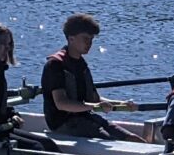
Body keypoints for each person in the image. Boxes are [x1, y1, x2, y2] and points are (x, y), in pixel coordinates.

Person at [39, 13, 146, 142]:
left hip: (85, 117)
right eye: (85, 38)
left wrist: (122, 104)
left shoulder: (81, 64)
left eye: (91, 39)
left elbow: (95, 99)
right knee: (112, 141)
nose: (89, 43)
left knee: (133, 139)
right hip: (64, 123)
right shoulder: (55, 64)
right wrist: (94, 106)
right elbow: (61, 103)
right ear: (71, 38)